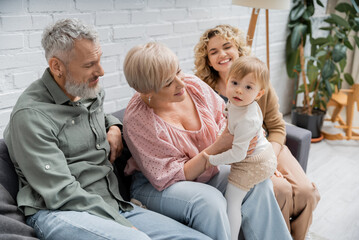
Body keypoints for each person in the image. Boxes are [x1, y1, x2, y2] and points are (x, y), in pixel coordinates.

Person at [3, 18, 212, 240]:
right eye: (88, 65)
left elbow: (95, 117)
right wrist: (123, 226)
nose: (101, 71)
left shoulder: (85, 92)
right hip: (61, 211)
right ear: (57, 67)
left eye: (99, 60)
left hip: (112, 203)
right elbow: (61, 193)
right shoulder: (31, 117)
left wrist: (114, 125)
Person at [122, 42, 292, 240]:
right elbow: (170, 175)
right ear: (146, 90)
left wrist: (260, 160)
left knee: (257, 183)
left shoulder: (193, 86)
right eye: (169, 82)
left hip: (207, 170)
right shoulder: (138, 121)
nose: (181, 83)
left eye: (179, 71)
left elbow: (226, 120)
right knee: (210, 202)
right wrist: (219, 146)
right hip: (160, 185)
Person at [194, 24, 321, 240]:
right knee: (279, 189)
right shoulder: (203, 89)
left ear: (238, 49)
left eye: (227, 47)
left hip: (268, 146)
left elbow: (278, 127)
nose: (222, 55)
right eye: (213, 52)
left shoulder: (259, 81)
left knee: (307, 192)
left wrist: (269, 158)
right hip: (239, 155)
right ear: (207, 60)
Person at [205, 56, 277, 240]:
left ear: (259, 94)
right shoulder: (237, 102)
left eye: (248, 87)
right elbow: (229, 118)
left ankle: (231, 237)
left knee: (232, 201)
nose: (238, 90)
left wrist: (211, 159)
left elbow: (237, 154)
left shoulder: (248, 119)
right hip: (261, 152)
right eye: (235, 82)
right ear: (227, 81)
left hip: (253, 162)